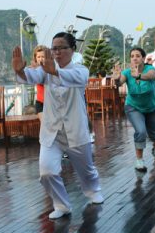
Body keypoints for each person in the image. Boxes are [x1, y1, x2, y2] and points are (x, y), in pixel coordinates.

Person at [12, 32, 104, 219]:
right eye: (54, 48)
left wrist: (52, 70)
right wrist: (20, 70)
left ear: (72, 50)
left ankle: (93, 190)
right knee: (46, 171)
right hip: (52, 132)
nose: (57, 52)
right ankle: (62, 205)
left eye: (62, 47)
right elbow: (31, 76)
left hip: (75, 131)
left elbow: (73, 78)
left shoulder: (80, 70)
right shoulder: (44, 72)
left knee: (86, 170)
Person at [113, 47, 155, 171]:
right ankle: (139, 160)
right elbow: (120, 83)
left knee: (154, 133)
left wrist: (139, 76)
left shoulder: (150, 69)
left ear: (143, 58)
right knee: (140, 131)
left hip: (151, 107)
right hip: (133, 107)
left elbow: (151, 76)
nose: (135, 58)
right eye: (132, 56)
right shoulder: (127, 72)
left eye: (138, 56)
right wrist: (117, 79)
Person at [31, 45, 47, 122]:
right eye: (38, 57)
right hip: (40, 103)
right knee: (45, 126)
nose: (41, 59)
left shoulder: (52, 70)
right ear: (35, 59)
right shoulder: (35, 71)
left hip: (52, 103)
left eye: (43, 57)